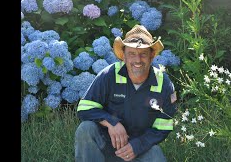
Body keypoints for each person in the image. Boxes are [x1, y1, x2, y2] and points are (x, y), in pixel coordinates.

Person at [75, 25, 177, 162]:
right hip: (106, 145)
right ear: (123, 56)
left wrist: (137, 146)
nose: (137, 60)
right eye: (132, 54)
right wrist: (112, 123)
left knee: (155, 154)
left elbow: (163, 127)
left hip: (140, 149)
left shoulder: (164, 84)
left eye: (143, 54)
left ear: (152, 56)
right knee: (86, 129)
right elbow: (84, 109)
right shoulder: (109, 75)